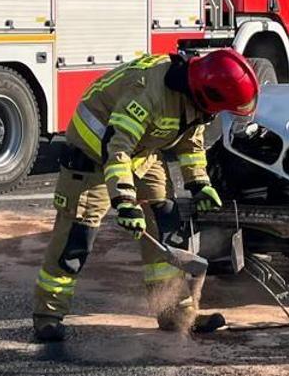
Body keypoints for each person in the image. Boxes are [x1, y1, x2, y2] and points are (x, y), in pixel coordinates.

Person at [30, 48, 261, 343]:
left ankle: (174, 313)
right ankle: (48, 316)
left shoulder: (196, 94)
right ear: (208, 93)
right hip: (92, 158)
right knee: (76, 238)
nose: (218, 115)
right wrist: (125, 201)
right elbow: (117, 148)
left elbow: (191, 144)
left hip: (143, 154)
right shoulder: (147, 92)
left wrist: (199, 183)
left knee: (166, 224)